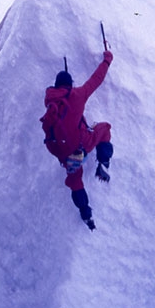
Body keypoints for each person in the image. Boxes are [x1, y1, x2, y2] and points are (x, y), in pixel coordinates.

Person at [42, 50, 114, 230]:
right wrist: (107, 60)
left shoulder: (50, 105)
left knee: (75, 180)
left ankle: (86, 214)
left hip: (65, 155)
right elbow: (96, 80)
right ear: (70, 84)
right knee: (104, 129)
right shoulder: (77, 95)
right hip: (82, 144)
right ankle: (103, 161)